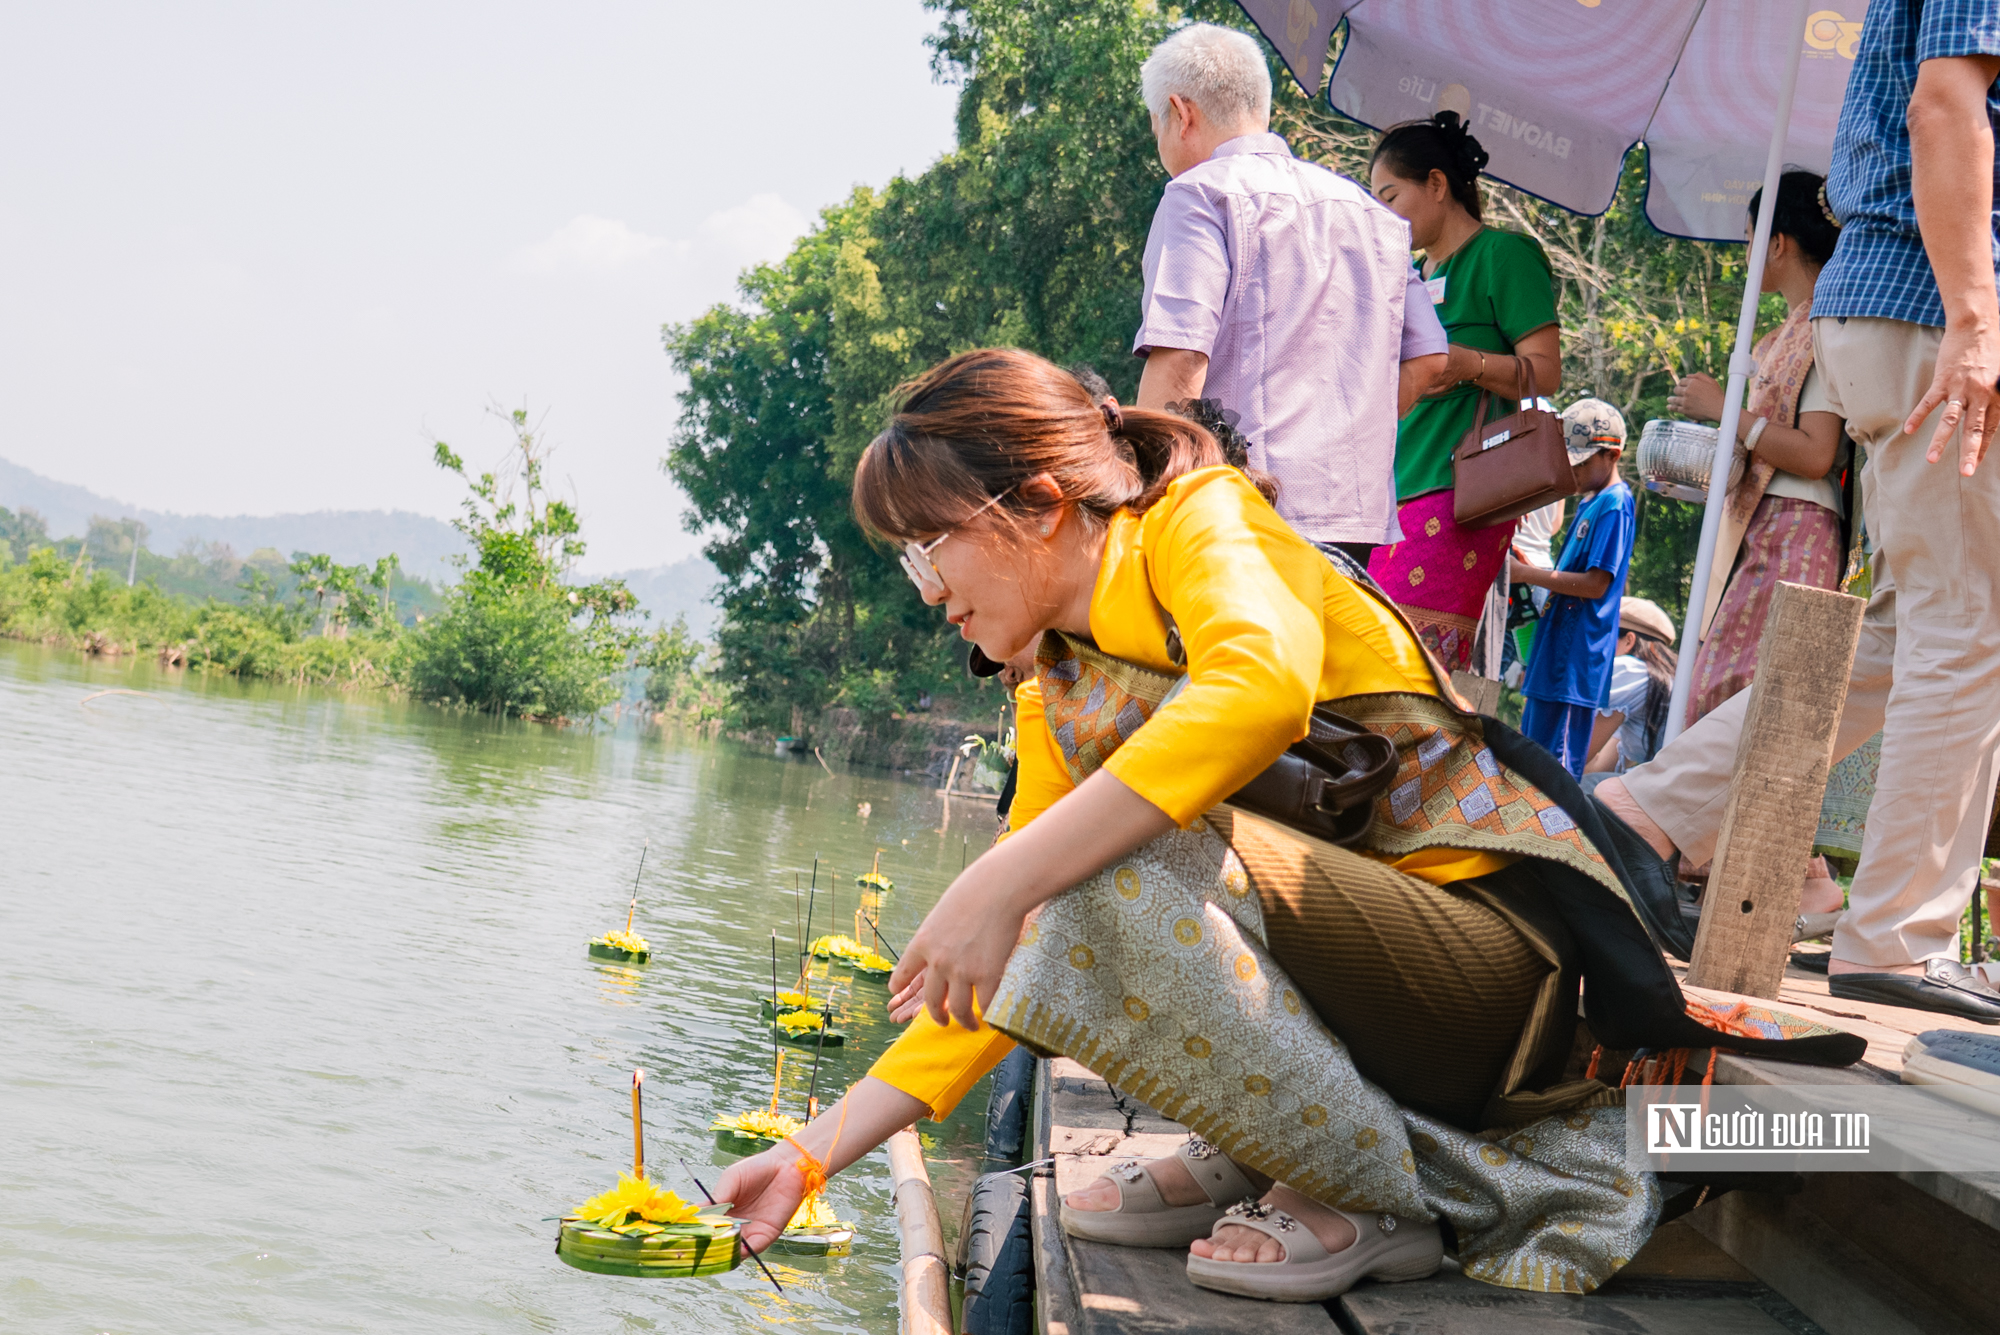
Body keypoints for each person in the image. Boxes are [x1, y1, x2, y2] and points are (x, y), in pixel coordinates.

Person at [713, 348, 1860, 1302]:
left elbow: (1255, 691)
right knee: (1065, 872)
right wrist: (812, 1156)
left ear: (1036, 506)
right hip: (1361, 984)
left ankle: (1365, 1188)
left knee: (1087, 867)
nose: (926, 590)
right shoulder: (1054, 682)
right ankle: (1277, 1145)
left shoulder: (1199, 523)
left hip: (1487, 981)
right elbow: (988, 976)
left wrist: (999, 883)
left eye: (927, 547)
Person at [1599, 1, 2000, 1019]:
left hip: (1888, 310)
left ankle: (1646, 808)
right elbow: (1944, 103)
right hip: (1927, 306)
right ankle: (1895, 941)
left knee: (1912, 625)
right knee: (1965, 626)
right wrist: (1973, 317)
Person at [1131, 23, 1448, 569]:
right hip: (1353, 518)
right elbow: (1430, 357)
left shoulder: (1198, 194)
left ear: (1181, 114)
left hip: (1243, 511)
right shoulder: (1371, 214)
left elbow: (1182, 357)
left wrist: (1141, 498)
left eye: (1156, 123)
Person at [1365, 113, 1563, 671]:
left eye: (1390, 195)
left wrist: (1467, 364)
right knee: (1364, 653)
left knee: (1400, 663)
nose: (1384, 213)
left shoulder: (1504, 255)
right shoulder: (1404, 270)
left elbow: (1545, 373)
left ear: (1435, 184)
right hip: (1388, 488)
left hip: (1464, 490)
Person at [1669, 172, 1850, 723]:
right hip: (1766, 525)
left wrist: (1729, 411)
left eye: (1750, 237)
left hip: (1796, 527)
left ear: (1778, 243)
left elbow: (1817, 453)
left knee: (1748, 703)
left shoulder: (1826, 323)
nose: (1745, 251)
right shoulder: (1781, 337)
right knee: (1726, 696)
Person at [1512, 401, 1633, 777]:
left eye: (1580, 463)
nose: (1573, 471)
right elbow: (1570, 574)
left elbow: (1597, 585)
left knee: (1554, 777)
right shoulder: (1588, 502)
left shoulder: (1615, 505)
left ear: (1611, 455)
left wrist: (1527, 576)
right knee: (1528, 764)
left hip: (1576, 663)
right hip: (1554, 655)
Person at [1581, 598, 1678, 780]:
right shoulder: (1657, 679)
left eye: (1605, 638)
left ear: (1629, 640)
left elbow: (1575, 758)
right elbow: (1599, 766)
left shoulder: (1630, 671)